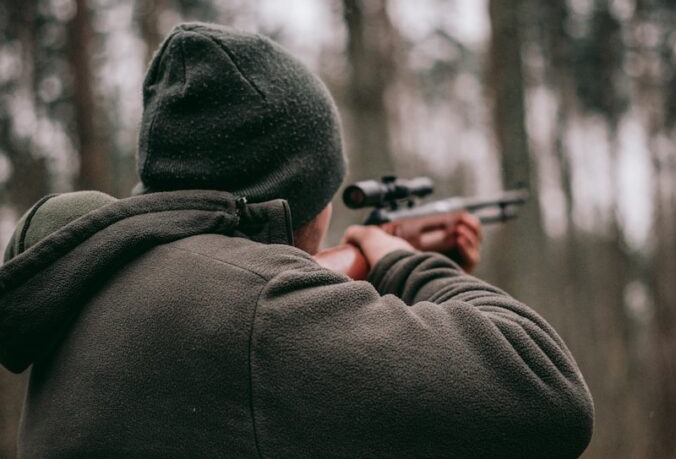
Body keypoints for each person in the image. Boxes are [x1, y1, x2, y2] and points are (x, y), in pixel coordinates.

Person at [0, 23, 593, 458]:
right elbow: (547, 396)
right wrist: (406, 266)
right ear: (292, 198)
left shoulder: (94, 277)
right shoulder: (255, 305)